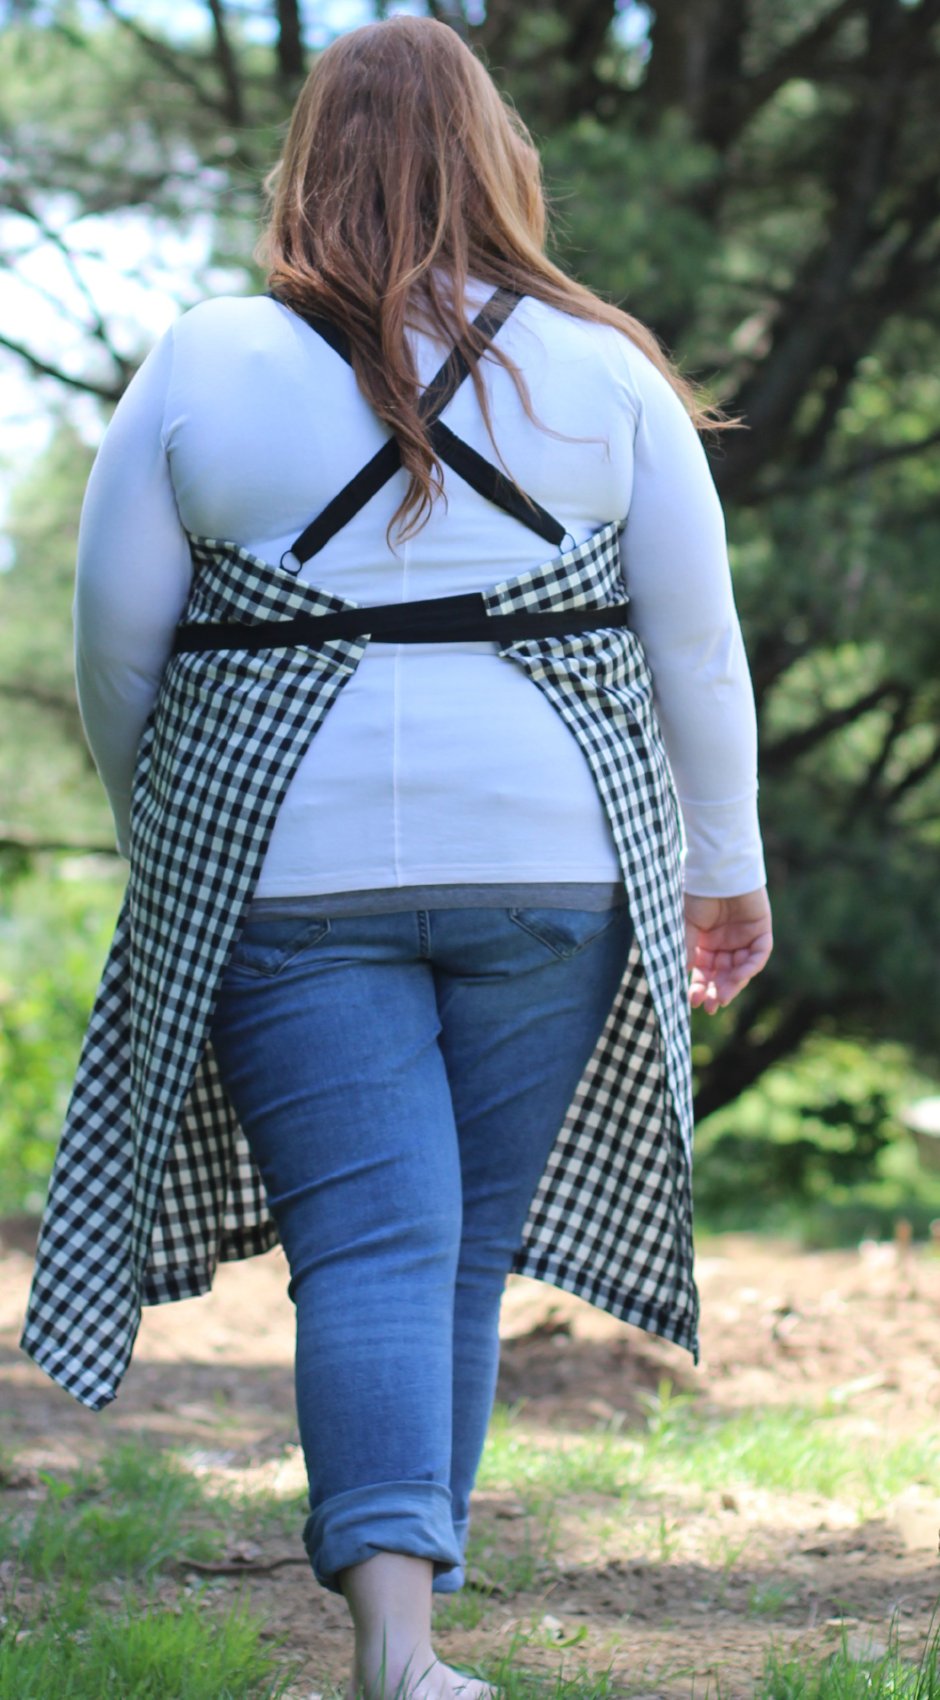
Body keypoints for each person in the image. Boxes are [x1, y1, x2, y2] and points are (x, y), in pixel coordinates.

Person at [21, 16, 773, 1700]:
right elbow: (697, 652)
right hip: (556, 865)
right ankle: (407, 1652)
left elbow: (117, 658)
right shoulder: (603, 370)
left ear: (310, 161)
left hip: (286, 872)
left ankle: (396, 1646)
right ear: (499, 156)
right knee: (460, 1250)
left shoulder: (205, 358)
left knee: (372, 1248)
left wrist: (186, 838)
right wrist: (728, 868)